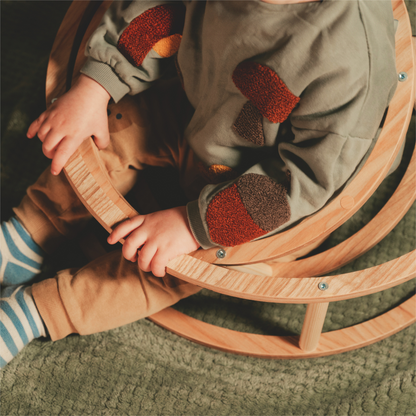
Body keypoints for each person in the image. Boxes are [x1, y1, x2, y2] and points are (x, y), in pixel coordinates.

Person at [0, 0, 398, 368]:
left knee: (168, 265)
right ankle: (29, 235)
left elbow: (304, 180)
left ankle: (40, 310)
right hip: (191, 105)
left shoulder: (349, 57)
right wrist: (96, 85)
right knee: (106, 131)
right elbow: (156, 10)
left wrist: (195, 226)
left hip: (254, 188)